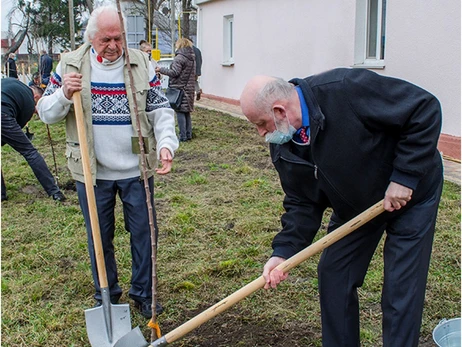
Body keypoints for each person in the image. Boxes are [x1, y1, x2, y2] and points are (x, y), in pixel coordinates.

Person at [240, 68, 443, 347]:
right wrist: (283, 252)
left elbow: (424, 109)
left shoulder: (347, 90)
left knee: (400, 289)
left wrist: (405, 177)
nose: (261, 134)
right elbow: (301, 202)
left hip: (412, 195)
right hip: (356, 208)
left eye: (261, 123)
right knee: (334, 274)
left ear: (279, 110)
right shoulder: (285, 147)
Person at [37, 4, 179, 318]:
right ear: (91, 38)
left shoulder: (141, 63)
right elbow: (45, 112)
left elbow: (160, 111)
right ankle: (107, 294)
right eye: (105, 40)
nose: (113, 46)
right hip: (92, 172)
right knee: (99, 236)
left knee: (144, 232)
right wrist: (62, 95)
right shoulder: (70, 64)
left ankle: (143, 293)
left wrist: (167, 144)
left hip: (136, 170)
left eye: (118, 38)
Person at [1, 78, 66, 202]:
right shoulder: (29, 100)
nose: (36, 112)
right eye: (37, 109)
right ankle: (54, 192)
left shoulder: (15, 85)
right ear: (36, 97)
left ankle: (1, 195)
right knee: (30, 152)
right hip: (2, 114)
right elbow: (16, 127)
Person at [156, 38, 196, 142]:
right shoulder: (191, 58)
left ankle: (182, 136)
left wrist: (161, 70)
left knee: (179, 111)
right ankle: (188, 134)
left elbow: (175, 72)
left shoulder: (179, 58)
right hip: (188, 88)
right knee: (186, 112)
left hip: (179, 88)